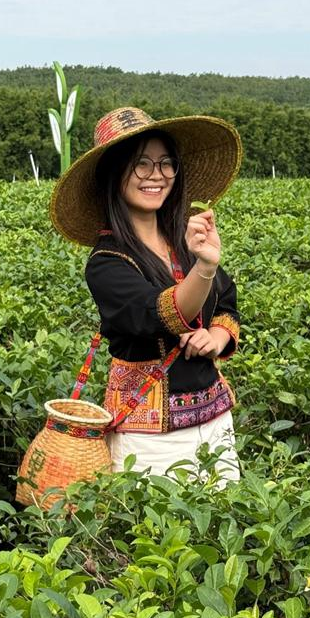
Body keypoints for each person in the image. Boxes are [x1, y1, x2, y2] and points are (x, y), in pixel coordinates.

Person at [49, 107, 243, 487]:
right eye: (141, 164)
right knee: (156, 539)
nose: (156, 175)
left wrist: (217, 338)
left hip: (217, 421)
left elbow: (225, 298)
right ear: (114, 174)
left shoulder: (183, 241)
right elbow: (162, 313)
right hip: (150, 440)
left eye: (166, 163)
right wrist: (202, 269)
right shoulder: (107, 262)